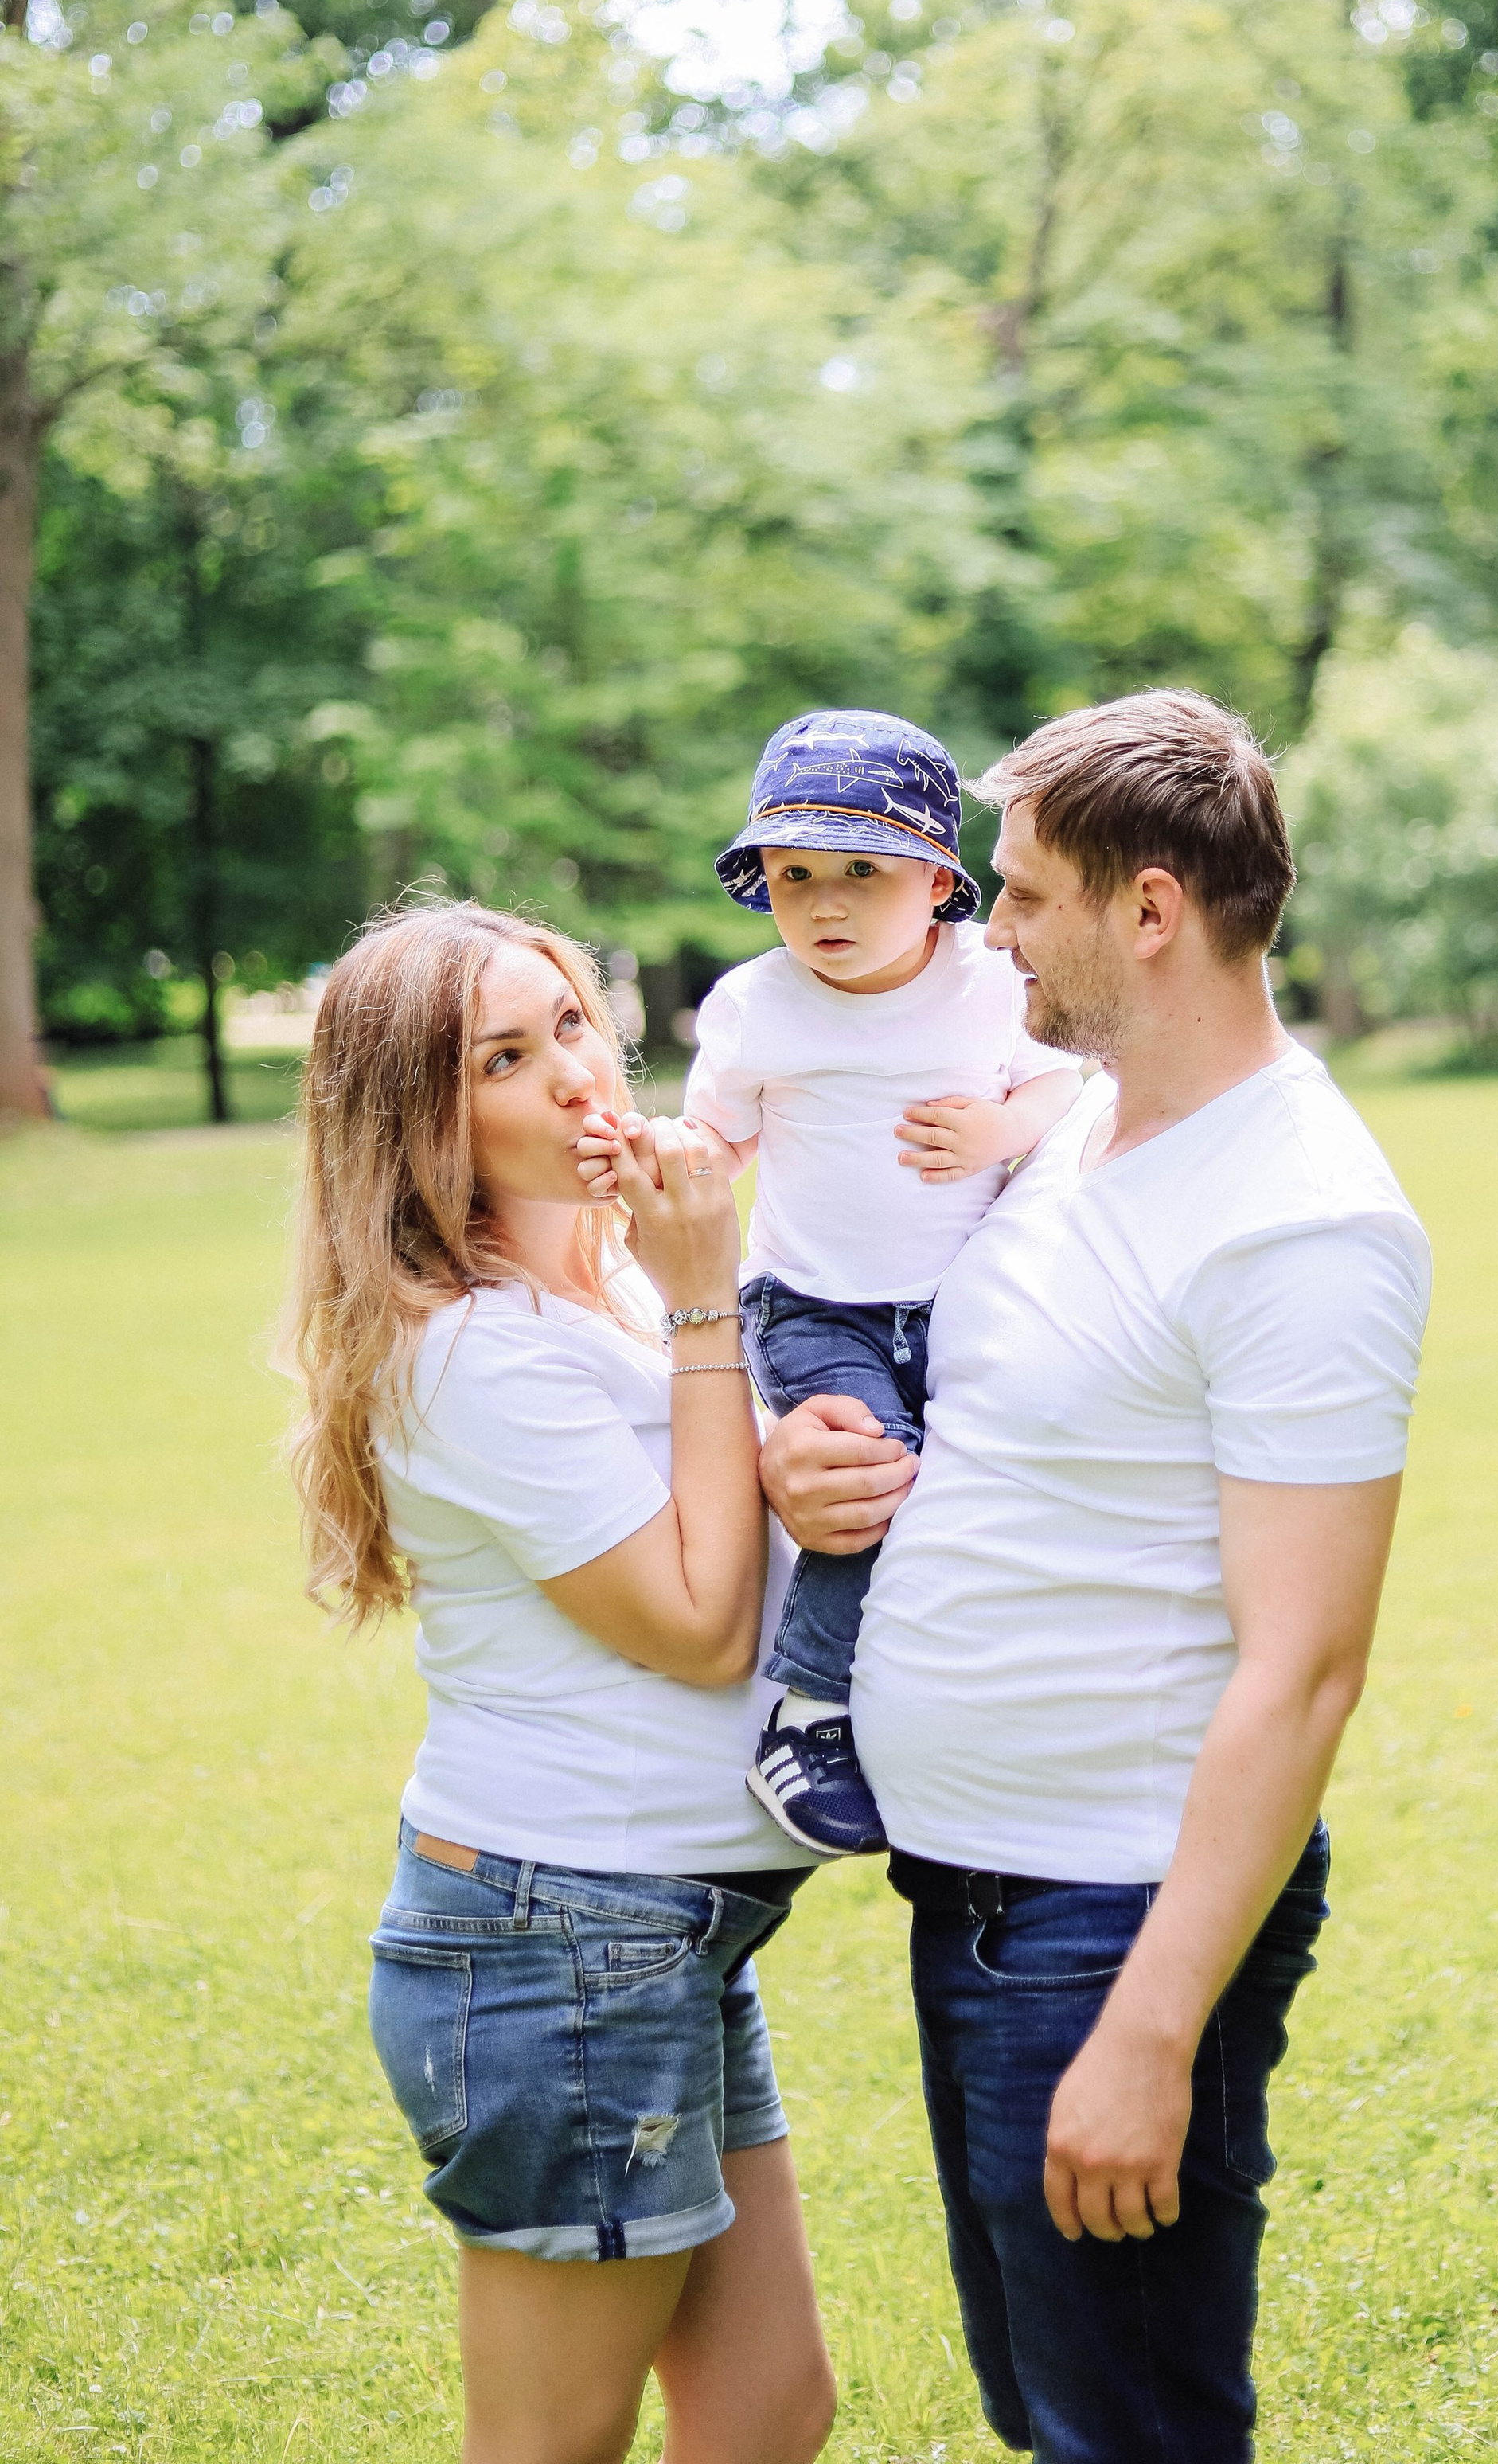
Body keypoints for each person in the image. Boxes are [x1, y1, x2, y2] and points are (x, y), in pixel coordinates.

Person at [759, 690, 1431, 2464]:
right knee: (1050, 2406)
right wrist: (803, 1463)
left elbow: (1304, 1668)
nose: (988, 931)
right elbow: (980, 1418)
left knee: (1127, 2430)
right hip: (978, 1895)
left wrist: (1149, 2031)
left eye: (1022, 893)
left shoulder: (1302, 1221)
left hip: (1109, 1918)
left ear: (1149, 909)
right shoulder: (1074, 1126)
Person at [283, 900, 835, 2464]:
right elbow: (699, 1623)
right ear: (418, 1123)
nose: (577, 1077)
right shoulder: (469, 1352)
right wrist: (711, 1294)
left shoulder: (613, 1292)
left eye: (573, 1025)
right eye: (504, 1060)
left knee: (768, 2409)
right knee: (550, 2443)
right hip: (558, 1936)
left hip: (661, 1929)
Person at [583, 708, 1079, 1860]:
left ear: (940, 882)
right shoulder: (756, 1007)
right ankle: (808, 1709)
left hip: (963, 1299)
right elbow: (720, 1142)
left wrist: (999, 1127)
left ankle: (950, 1695)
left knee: (976, 1487)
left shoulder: (991, 985)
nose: (825, 904)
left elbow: (1062, 1088)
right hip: (812, 1301)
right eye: (794, 874)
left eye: (863, 871)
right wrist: (665, 1156)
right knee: (868, 1469)